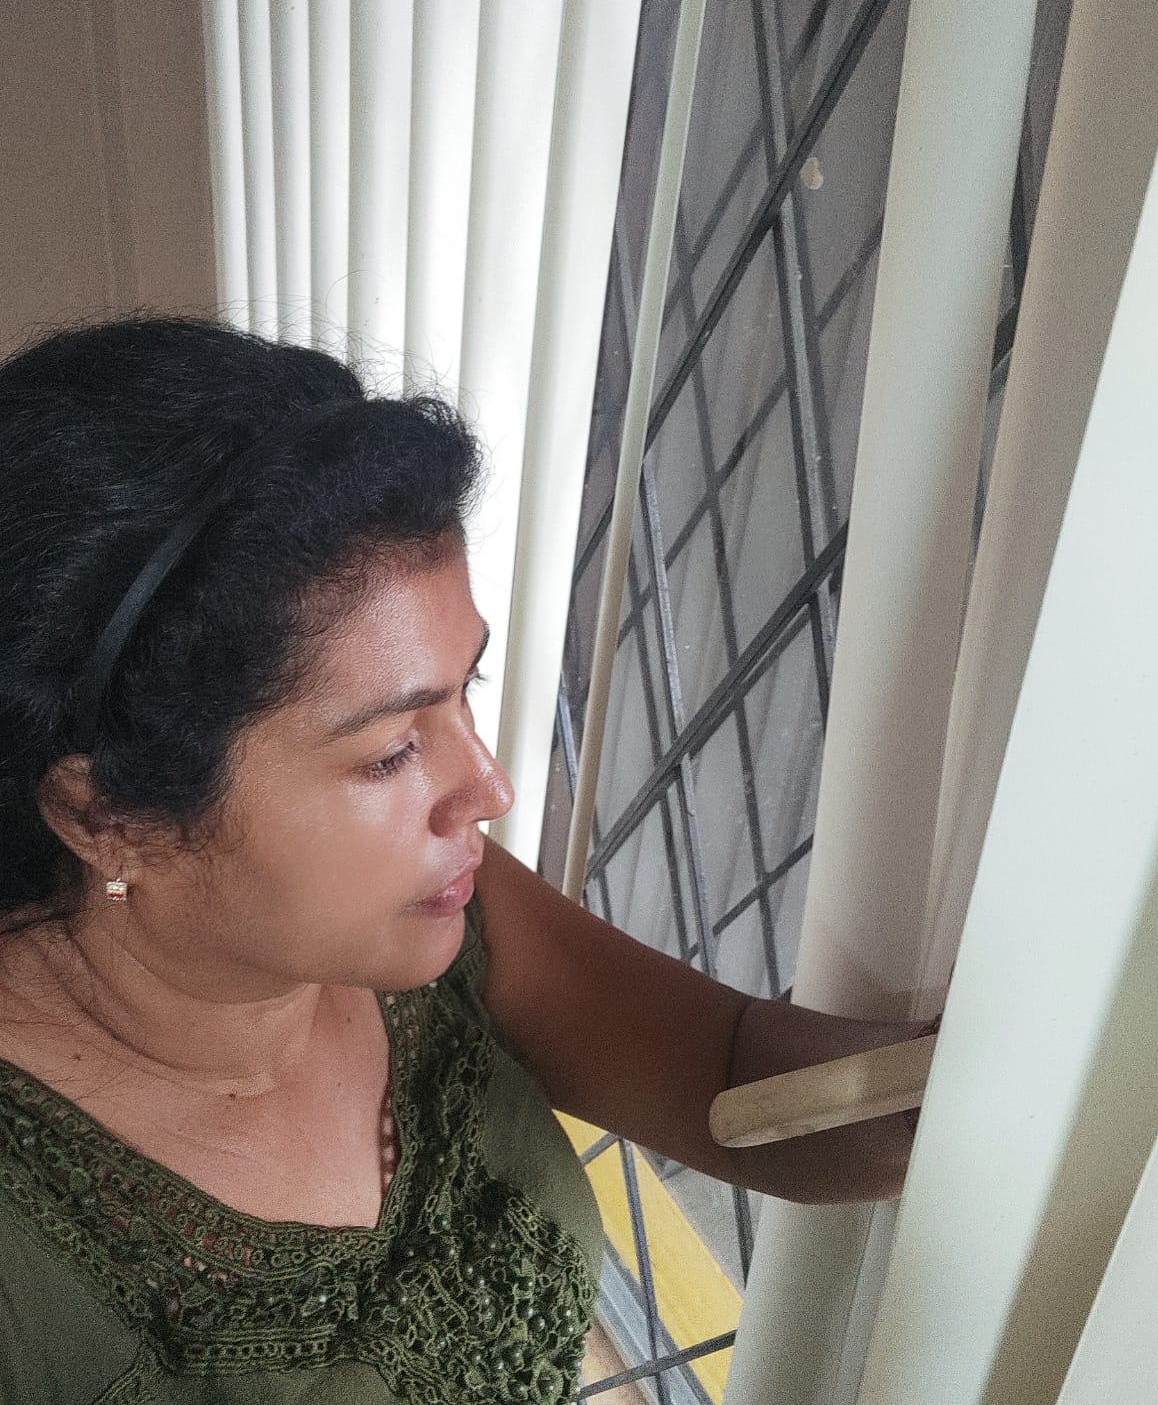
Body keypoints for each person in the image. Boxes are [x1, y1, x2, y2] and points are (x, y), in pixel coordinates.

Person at [0, 317, 931, 1403]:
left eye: (465, 692)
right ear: (109, 816)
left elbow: (725, 1079)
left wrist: (968, 1089)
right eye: (391, 751)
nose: (489, 789)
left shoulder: (440, 915)